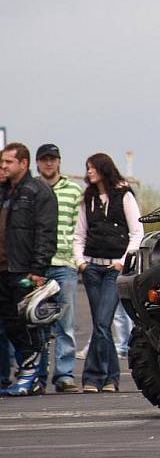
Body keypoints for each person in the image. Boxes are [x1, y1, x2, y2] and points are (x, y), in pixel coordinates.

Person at [73, 153, 143, 393]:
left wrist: (123, 262)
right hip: (92, 268)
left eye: (92, 167)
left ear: (104, 169)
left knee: (102, 323)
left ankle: (97, 376)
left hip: (113, 269)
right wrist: (80, 262)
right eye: (87, 167)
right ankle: (104, 379)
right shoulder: (88, 199)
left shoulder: (124, 197)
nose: (89, 172)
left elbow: (137, 232)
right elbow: (79, 234)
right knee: (99, 324)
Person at [0, 143, 57, 396]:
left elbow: (46, 233)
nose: (3, 166)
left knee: (28, 326)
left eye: (8, 162)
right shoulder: (5, 192)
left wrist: (38, 268)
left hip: (23, 270)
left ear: (23, 163)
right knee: (10, 325)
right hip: (4, 269)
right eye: (1, 162)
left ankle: (33, 378)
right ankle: (22, 375)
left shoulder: (38, 191)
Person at [34, 144, 83, 393]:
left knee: (65, 323)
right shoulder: (31, 189)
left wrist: (78, 259)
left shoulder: (74, 191)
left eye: (52, 159)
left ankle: (64, 375)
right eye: (44, 160)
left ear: (59, 162)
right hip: (39, 266)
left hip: (65, 264)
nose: (49, 164)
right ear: (37, 163)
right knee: (38, 323)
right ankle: (38, 375)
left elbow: (79, 229)